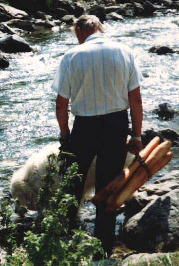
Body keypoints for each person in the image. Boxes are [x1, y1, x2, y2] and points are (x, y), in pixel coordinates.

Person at [52, 15, 143, 257]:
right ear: (99, 27)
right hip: (116, 125)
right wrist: (136, 135)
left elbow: (61, 104)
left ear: (82, 31)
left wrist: (65, 135)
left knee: (72, 182)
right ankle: (102, 247)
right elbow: (135, 98)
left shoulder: (71, 56)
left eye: (76, 35)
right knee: (108, 185)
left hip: (84, 127)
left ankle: (65, 238)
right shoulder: (125, 51)